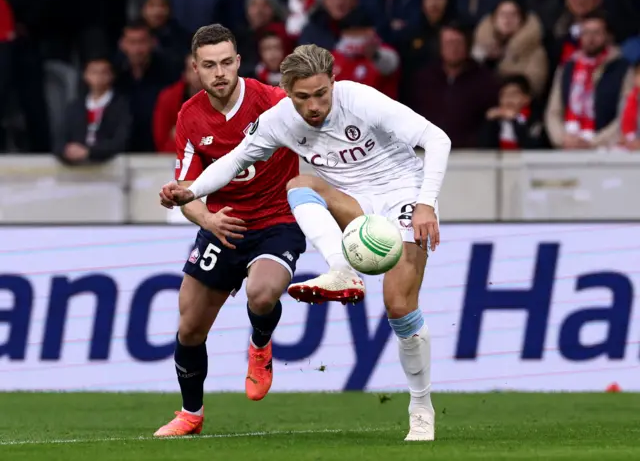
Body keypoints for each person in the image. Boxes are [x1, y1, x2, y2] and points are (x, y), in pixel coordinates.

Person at [160, 44, 451, 442]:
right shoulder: (279, 119)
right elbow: (235, 161)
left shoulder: (360, 99)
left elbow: (438, 139)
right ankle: (341, 270)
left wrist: (425, 205)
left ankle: (420, 407)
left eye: (321, 94)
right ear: (288, 92)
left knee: (399, 305)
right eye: (303, 97)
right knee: (299, 185)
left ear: (333, 83)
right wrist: (191, 192)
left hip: (403, 194)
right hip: (352, 203)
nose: (314, 106)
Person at [153, 24, 306, 438]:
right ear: (195, 69)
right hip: (222, 226)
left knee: (261, 293)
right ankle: (191, 414)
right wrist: (206, 219)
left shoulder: (271, 101)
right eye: (209, 65)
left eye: (225, 62)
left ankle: (259, 344)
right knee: (189, 326)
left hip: (277, 220)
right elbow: (188, 192)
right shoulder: (189, 115)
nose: (219, 72)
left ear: (238, 62)